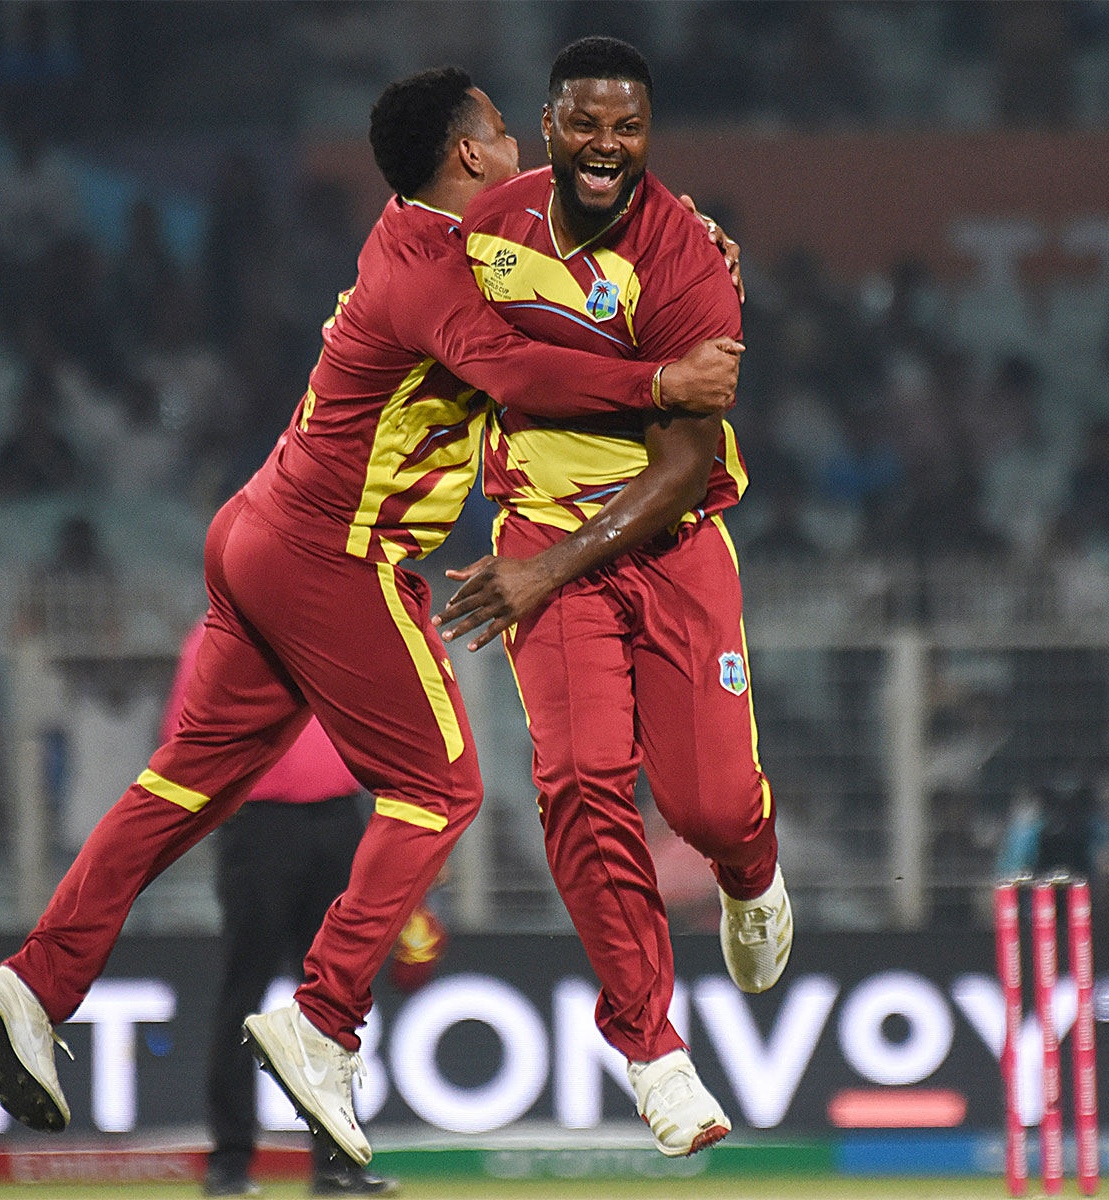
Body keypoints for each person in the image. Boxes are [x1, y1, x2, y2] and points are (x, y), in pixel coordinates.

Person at [0, 64, 743, 1170]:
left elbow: (571, 284)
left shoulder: (437, 242)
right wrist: (664, 383)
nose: (521, 149)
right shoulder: (435, 267)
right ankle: (323, 1018)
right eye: (507, 131)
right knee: (442, 786)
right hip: (337, 551)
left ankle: (33, 984)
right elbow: (516, 367)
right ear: (470, 153)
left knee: (182, 783)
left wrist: (690, 254)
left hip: (257, 530)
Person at [434, 37, 791, 1158]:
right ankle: (652, 1050)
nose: (605, 147)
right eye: (585, 124)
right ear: (548, 126)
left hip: (670, 546)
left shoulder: (683, 254)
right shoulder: (488, 227)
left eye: (626, 128)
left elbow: (682, 466)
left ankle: (752, 878)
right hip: (541, 537)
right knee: (580, 780)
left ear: (648, 135)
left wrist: (540, 570)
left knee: (711, 809)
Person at [161, 620, 402, 1198]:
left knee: (332, 996)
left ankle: (335, 1163)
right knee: (244, 994)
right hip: (258, 824)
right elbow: (187, 735)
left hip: (338, 819)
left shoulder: (337, 627)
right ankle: (230, 1162)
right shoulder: (215, 638)